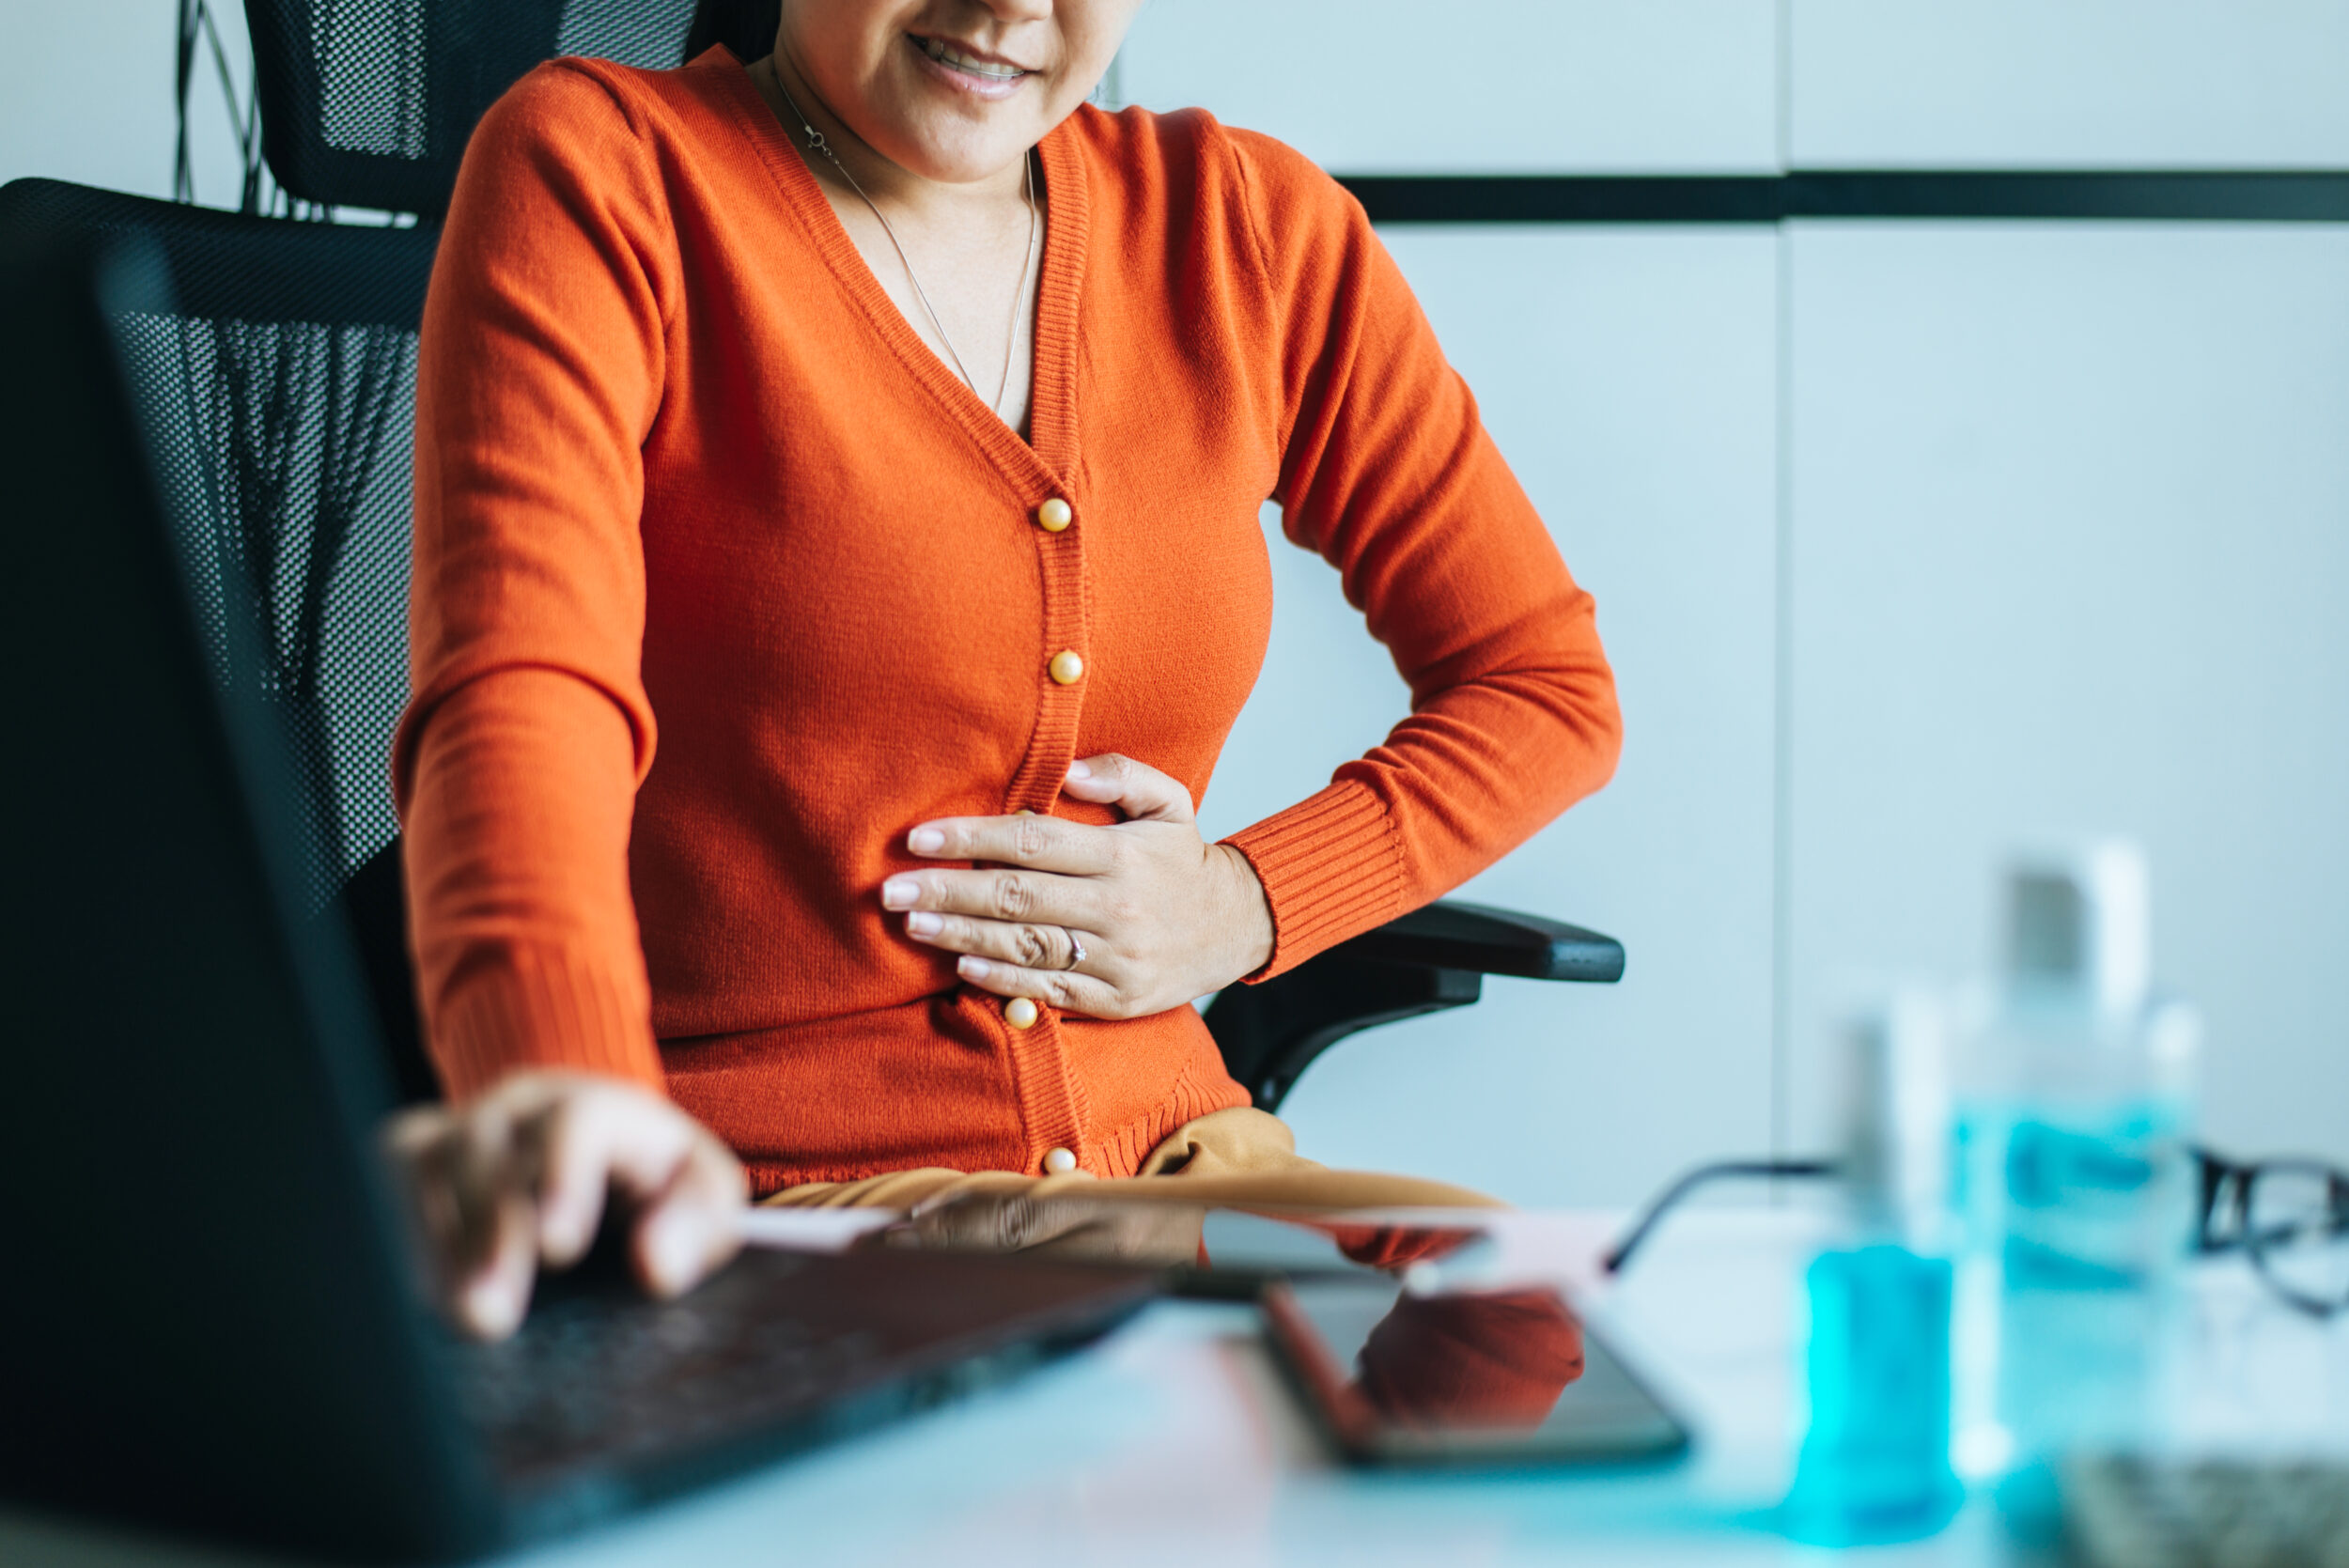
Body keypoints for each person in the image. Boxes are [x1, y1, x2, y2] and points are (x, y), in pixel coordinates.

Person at [389, 0, 1622, 1339]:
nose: (1009, 8)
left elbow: (1542, 682)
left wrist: (1244, 903)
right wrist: (565, 1085)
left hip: (1197, 1177)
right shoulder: (606, 172)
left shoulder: (1248, 232)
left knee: (1538, 1354)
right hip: (784, 1215)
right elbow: (524, 689)